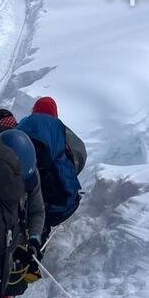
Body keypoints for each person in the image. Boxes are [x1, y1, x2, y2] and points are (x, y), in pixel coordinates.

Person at [0, 128, 45, 298]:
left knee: (18, 269)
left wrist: (33, 239)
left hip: (14, 229)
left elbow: (37, 209)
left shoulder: (31, 175)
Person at [18, 96, 86, 245]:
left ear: (35, 109)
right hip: (51, 191)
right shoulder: (60, 128)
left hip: (19, 182)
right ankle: (39, 236)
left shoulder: (25, 122)